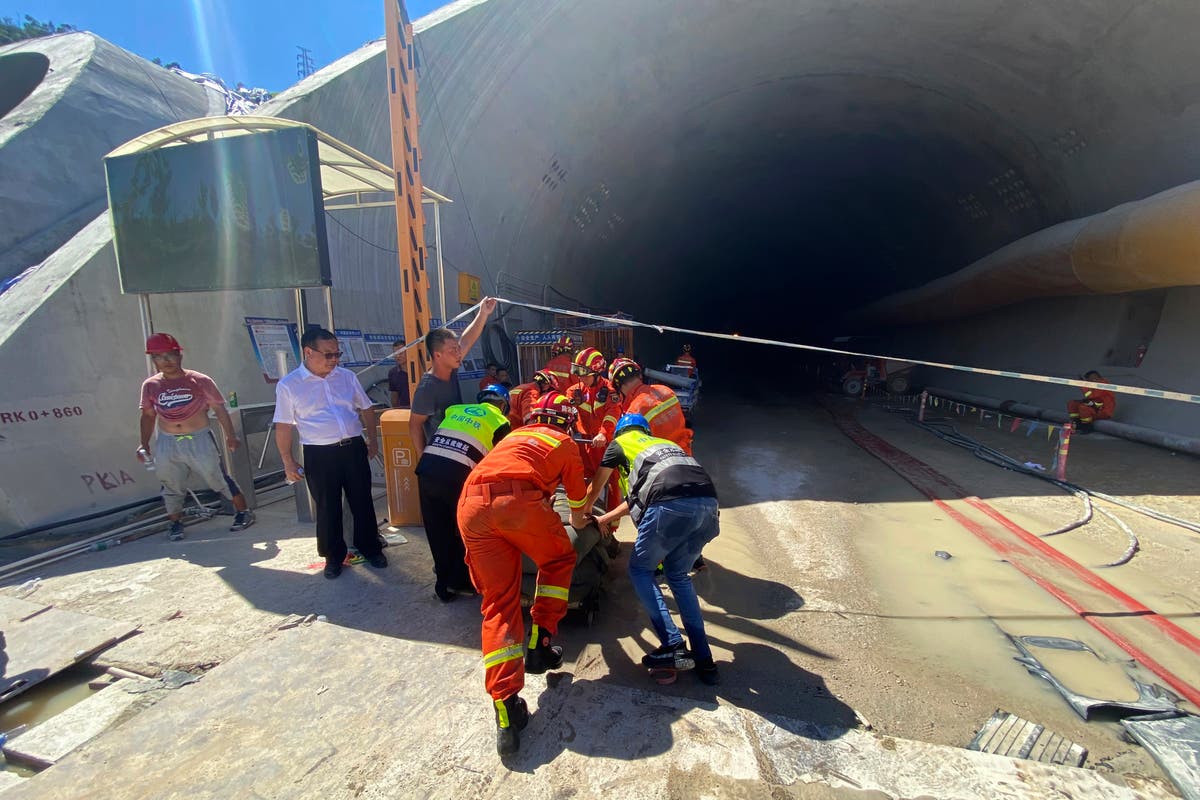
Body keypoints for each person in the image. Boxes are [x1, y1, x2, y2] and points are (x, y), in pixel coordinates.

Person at [456, 392, 589, 756]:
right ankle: (541, 642)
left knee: (498, 605)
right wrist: (587, 521)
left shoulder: (512, 436)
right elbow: (578, 510)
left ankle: (506, 708)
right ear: (566, 422)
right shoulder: (563, 442)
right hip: (517, 503)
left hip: (470, 505)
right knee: (559, 559)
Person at [582, 413, 720, 686]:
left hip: (669, 504)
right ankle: (705, 661)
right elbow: (640, 497)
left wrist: (583, 515)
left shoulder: (620, 444)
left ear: (620, 432)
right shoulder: (666, 447)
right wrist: (604, 519)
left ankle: (672, 644)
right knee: (678, 576)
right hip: (708, 507)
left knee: (640, 570)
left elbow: (596, 486)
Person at [274, 328, 387, 579]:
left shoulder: (346, 377)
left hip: (353, 448)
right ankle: (333, 557)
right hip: (320, 454)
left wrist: (372, 439)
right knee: (328, 507)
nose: (334, 359)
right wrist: (288, 461)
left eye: (337, 354)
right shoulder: (289, 385)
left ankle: (371, 548)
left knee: (362, 501)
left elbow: (366, 408)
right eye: (328, 354)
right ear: (308, 352)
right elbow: (283, 426)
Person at [138, 333, 255, 540]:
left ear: (179, 355)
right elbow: (148, 415)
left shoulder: (199, 380)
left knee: (216, 477)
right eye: (158, 357)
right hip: (168, 441)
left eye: (170, 355)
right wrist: (144, 444)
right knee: (171, 483)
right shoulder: (151, 385)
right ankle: (175, 523)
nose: (166, 361)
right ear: (153, 360)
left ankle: (243, 512)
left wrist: (230, 436)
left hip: (198, 438)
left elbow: (219, 409)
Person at [415, 385, 512, 602]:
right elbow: (500, 463)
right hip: (456, 475)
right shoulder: (500, 422)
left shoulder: (456, 410)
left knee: (437, 530)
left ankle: (443, 587)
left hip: (427, 470)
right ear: (503, 405)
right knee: (464, 529)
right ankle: (464, 581)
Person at [410, 298, 498, 458]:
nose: (458, 353)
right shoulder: (427, 388)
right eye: (453, 350)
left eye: (458, 349)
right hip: (440, 455)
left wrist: (483, 313)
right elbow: (415, 425)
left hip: (458, 448)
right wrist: (423, 458)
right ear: (438, 355)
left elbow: (467, 340)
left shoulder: (451, 368)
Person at [609, 357, 694, 454]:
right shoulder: (666, 390)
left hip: (662, 459)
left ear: (618, 386)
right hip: (685, 453)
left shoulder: (633, 413)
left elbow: (631, 449)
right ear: (640, 376)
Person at [565, 347, 621, 478]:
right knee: (585, 481)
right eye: (578, 373)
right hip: (582, 443)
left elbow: (612, 414)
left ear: (596, 373)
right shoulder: (574, 392)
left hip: (604, 444)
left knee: (612, 482)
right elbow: (566, 410)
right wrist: (567, 426)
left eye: (584, 374)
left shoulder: (610, 391)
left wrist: (603, 434)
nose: (581, 378)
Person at [387, 339, 410, 408]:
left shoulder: (419, 369)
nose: (398, 356)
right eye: (395, 353)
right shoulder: (393, 373)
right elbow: (394, 395)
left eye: (401, 353)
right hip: (403, 410)